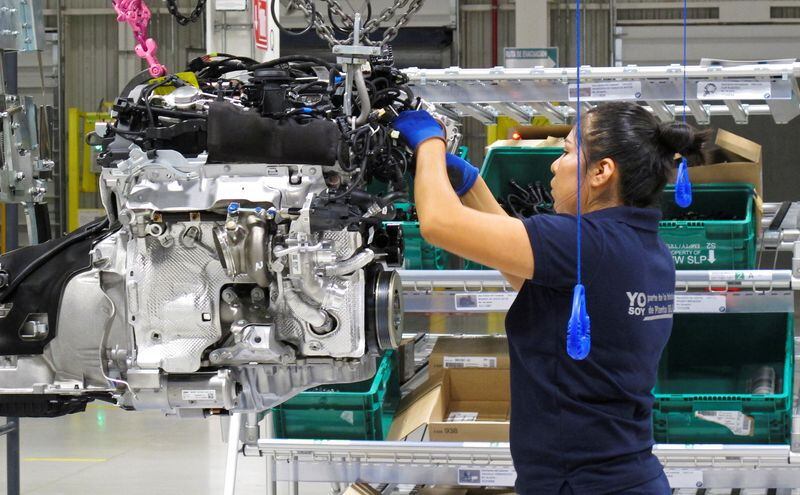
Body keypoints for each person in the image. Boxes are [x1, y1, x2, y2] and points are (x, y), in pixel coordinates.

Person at [392, 102, 709, 494]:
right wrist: (470, 185)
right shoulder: (643, 249)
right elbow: (519, 265)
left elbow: (439, 224)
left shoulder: (583, 243)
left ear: (601, 172)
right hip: (621, 479)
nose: (554, 166)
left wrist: (430, 145)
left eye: (566, 152)